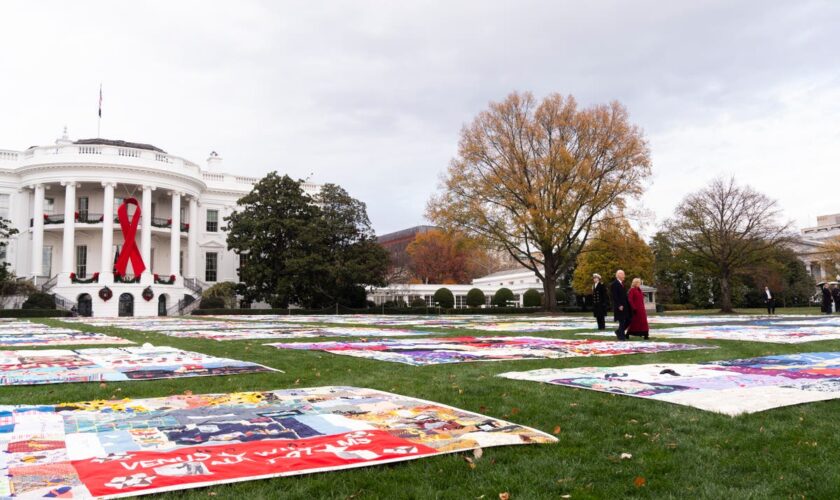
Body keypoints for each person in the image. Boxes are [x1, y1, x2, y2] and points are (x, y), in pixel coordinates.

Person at [610, 270, 629, 341]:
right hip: (620, 306)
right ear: (619, 275)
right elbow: (615, 296)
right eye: (623, 274)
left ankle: (619, 332)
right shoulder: (614, 284)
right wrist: (619, 305)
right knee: (622, 321)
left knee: (627, 319)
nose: (624, 276)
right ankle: (621, 336)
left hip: (625, 306)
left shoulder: (621, 283)